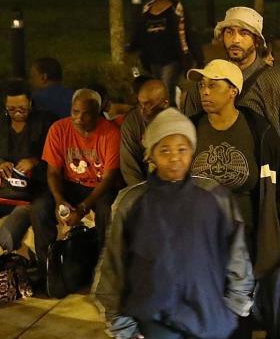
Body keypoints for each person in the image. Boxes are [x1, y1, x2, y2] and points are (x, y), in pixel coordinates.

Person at [92, 108, 255, 339]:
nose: (175, 157)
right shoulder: (131, 202)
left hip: (206, 311)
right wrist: (118, 318)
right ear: (150, 155)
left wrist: (237, 302)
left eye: (183, 149)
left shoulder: (213, 196)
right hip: (156, 313)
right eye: (165, 150)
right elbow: (114, 263)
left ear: (192, 152)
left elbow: (236, 252)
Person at [187, 59, 280, 339]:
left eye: (213, 85)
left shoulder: (258, 130)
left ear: (233, 90)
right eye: (202, 86)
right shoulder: (189, 128)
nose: (205, 92)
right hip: (197, 235)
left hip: (243, 233)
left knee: (239, 304)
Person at [182, 6, 280, 184]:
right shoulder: (203, 85)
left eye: (244, 33)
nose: (235, 40)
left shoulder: (277, 84)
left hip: (258, 186)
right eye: (229, 32)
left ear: (256, 41)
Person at [32, 89, 121, 279]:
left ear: (97, 112)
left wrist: (82, 208)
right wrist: (59, 200)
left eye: (86, 113)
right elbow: (53, 172)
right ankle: (47, 268)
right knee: (40, 207)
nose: (79, 118)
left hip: (99, 187)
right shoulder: (58, 129)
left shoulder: (110, 133)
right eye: (75, 112)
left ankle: (103, 270)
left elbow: (108, 178)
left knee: (107, 209)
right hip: (70, 184)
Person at [0, 80, 54, 253]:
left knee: (39, 211)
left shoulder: (45, 121)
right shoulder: (2, 124)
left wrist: (35, 161)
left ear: (30, 102)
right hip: (6, 188)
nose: (17, 113)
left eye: (22, 108)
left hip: (39, 188)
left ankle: (45, 269)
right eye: (11, 109)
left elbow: (57, 158)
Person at [125, 0, 194, 100]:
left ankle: (170, 114)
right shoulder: (148, 8)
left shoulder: (175, 8)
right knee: (157, 89)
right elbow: (140, 30)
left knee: (167, 87)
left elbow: (183, 32)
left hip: (171, 58)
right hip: (153, 57)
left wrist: (188, 55)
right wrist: (132, 46)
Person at [119, 79, 169, 186]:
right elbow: (129, 168)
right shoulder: (132, 123)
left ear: (165, 103)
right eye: (140, 104)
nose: (142, 111)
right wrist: (142, 194)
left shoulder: (178, 122)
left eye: (148, 105)